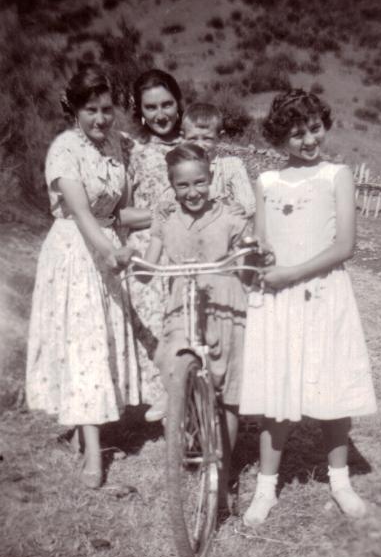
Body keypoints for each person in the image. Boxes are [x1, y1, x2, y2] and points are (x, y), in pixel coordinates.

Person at [239, 88, 377, 525]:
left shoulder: (337, 175)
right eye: (297, 134)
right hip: (279, 298)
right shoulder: (267, 182)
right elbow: (263, 240)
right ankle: (266, 489)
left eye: (315, 128)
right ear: (280, 136)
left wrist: (292, 273)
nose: (309, 140)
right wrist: (256, 255)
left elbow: (345, 246)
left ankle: (340, 482)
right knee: (277, 392)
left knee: (332, 387)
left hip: (323, 293)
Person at [26, 64, 139, 489]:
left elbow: (120, 210)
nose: (101, 118)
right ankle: (93, 451)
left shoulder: (115, 147)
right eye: (91, 109)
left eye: (107, 109)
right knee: (84, 343)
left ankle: (83, 432)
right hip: (75, 250)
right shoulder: (64, 148)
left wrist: (163, 219)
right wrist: (108, 252)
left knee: (99, 340)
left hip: (106, 244)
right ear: (74, 109)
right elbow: (81, 212)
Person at [143, 143, 250, 496]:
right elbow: (147, 268)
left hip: (225, 303)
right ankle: (187, 425)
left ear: (211, 178)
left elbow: (247, 256)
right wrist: (129, 259)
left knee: (227, 392)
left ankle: (223, 471)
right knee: (174, 361)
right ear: (172, 186)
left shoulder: (230, 213)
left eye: (200, 182)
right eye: (183, 185)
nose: (193, 192)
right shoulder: (165, 217)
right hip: (183, 304)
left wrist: (255, 252)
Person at [118, 69, 183, 414]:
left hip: (192, 249)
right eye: (151, 107)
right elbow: (121, 214)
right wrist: (162, 212)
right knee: (156, 328)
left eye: (167, 104)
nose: (161, 114)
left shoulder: (198, 145)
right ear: (140, 111)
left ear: (178, 103)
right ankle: (165, 405)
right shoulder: (134, 152)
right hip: (151, 253)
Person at [181, 102, 255, 218]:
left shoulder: (233, 165)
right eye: (193, 139)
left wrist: (242, 208)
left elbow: (249, 203)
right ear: (183, 138)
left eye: (207, 138)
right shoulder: (179, 169)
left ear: (219, 137)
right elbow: (171, 199)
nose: (200, 145)